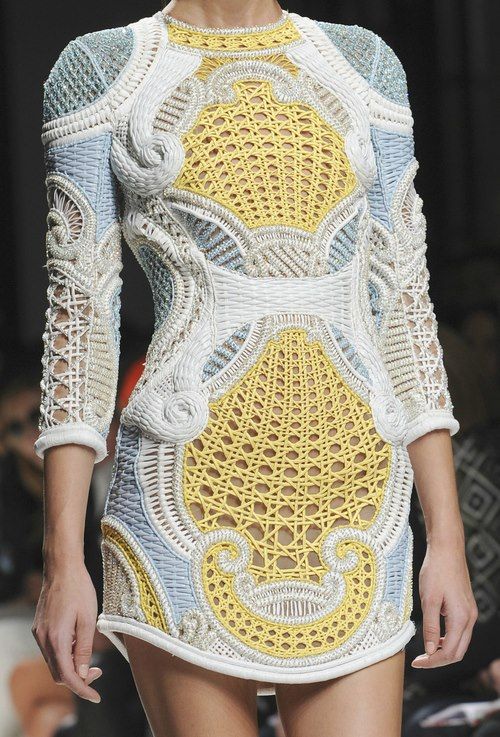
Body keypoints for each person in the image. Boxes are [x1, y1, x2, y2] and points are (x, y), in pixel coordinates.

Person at [32, 1, 478, 736]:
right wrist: (63, 561)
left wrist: (447, 543)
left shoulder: (361, 64)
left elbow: (404, 305)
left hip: (355, 494)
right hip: (183, 500)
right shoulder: (105, 69)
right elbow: (80, 320)